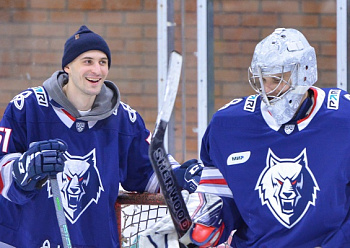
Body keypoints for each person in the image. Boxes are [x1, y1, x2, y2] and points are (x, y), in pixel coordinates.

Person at [144, 28, 350, 248]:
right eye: (262, 79)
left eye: (276, 79)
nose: (267, 89)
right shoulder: (229, 126)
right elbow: (219, 203)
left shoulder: (343, 119)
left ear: (305, 73)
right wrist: (195, 229)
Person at [0, 25, 200, 248]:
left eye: (102, 62)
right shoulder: (27, 107)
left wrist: (179, 176)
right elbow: (3, 169)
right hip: (26, 241)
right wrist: (24, 170)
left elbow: (147, 172)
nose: (97, 70)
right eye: (87, 61)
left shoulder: (124, 119)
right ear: (67, 66)